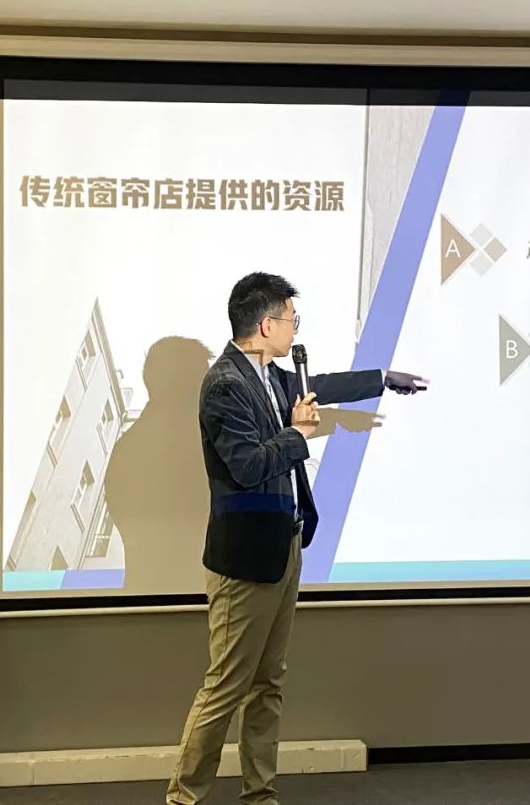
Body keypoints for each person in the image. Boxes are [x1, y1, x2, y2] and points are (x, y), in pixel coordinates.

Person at [167, 272, 424, 805]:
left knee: (268, 683)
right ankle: (183, 798)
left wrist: (381, 378)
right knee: (226, 686)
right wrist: (299, 434)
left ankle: (260, 794)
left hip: (283, 545)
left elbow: (319, 386)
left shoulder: (267, 376)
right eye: (291, 318)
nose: (294, 328)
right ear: (266, 324)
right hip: (245, 559)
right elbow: (247, 467)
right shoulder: (225, 385)